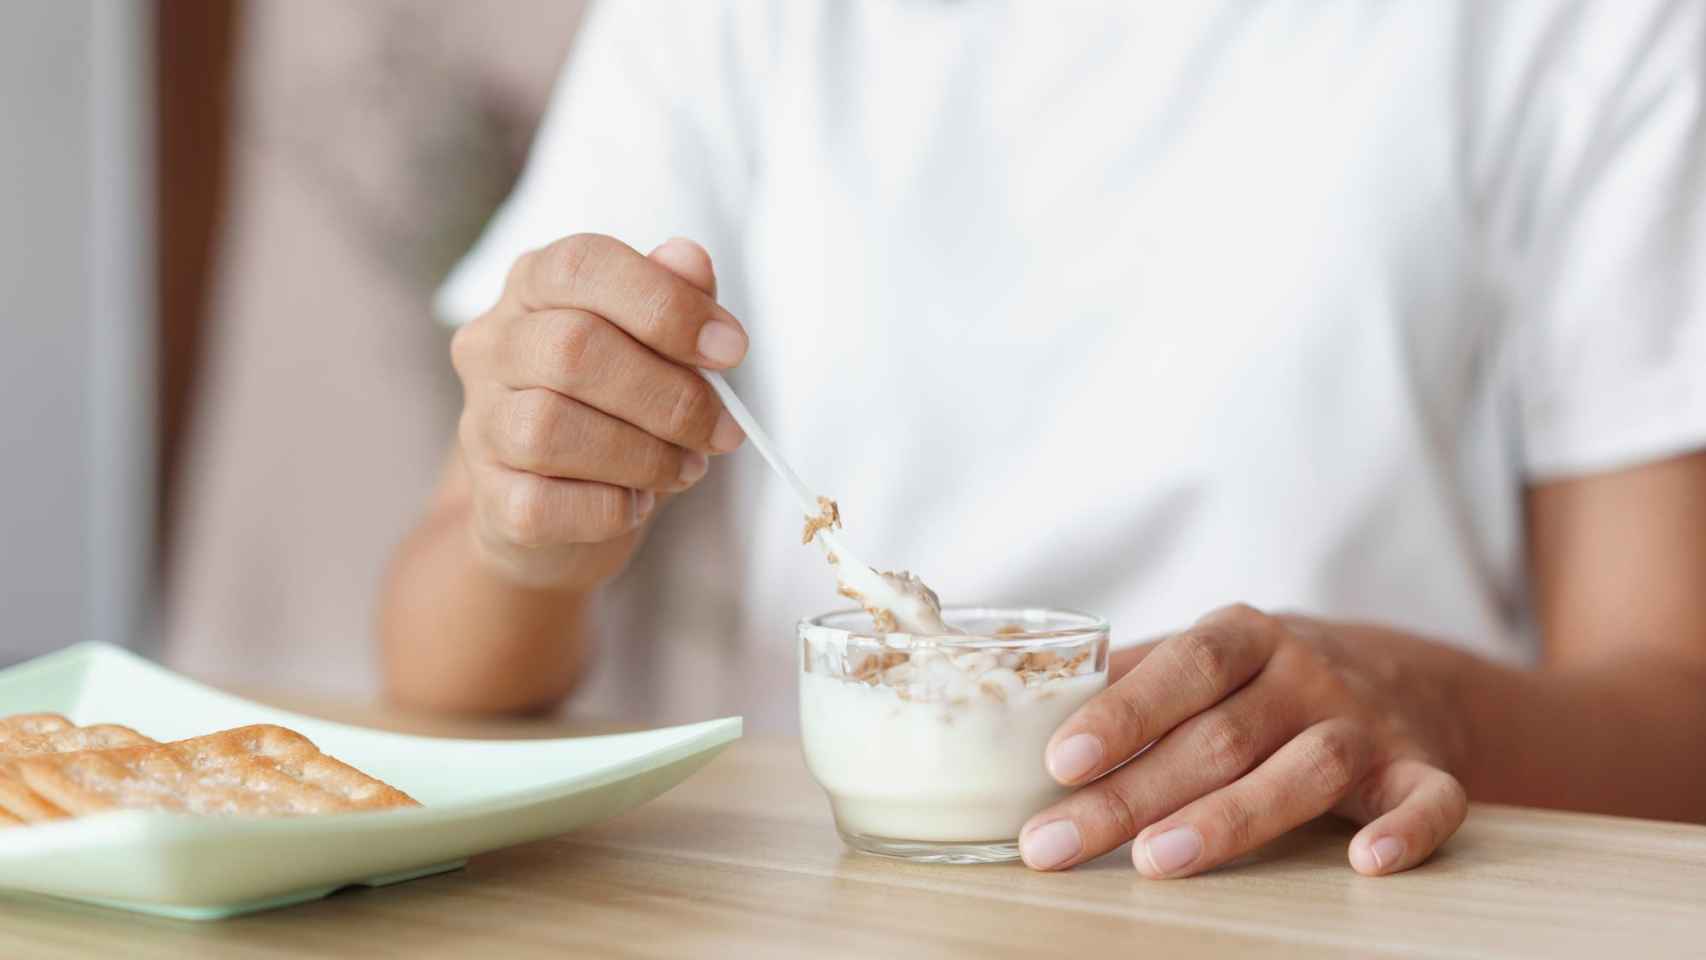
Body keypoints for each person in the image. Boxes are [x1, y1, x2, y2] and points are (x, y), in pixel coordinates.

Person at [379, 1, 1706, 879]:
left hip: (1343, 895)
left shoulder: (1584, 28)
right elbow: (438, 663)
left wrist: (1429, 705)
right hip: (858, 904)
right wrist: (528, 535)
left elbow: (1674, 713)